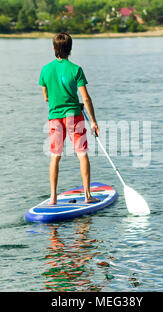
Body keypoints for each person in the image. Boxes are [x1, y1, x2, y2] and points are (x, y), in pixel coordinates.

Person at [39, 32, 100, 205]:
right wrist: (94, 121)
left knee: (55, 156)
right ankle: (88, 196)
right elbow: (86, 98)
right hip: (74, 115)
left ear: (53, 48)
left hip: (55, 118)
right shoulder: (76, 69)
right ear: (70, 49)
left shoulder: (45, 69)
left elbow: (46, 98)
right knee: (81, 154)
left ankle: (53, 198)